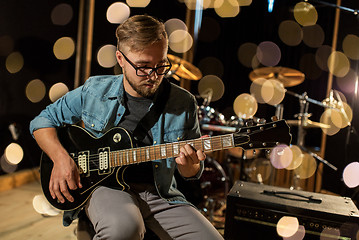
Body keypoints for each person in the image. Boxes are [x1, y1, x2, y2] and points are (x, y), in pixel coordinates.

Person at [30, 15, 224, 240]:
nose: (153, 76)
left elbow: (190, 172)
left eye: (160, 65)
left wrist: (188, 164)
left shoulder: (184, 102)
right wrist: (61, 159)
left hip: (159, 192)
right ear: (120, 59)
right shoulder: (95, 90)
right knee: (125, 228)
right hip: (105, 188)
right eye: (143, 67)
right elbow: (41, 122)